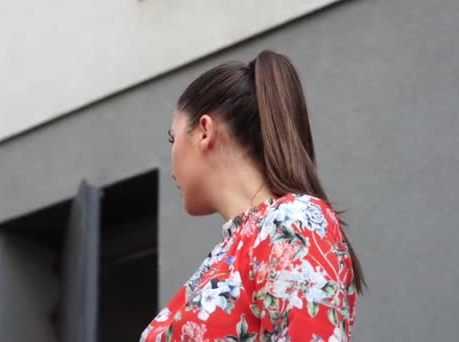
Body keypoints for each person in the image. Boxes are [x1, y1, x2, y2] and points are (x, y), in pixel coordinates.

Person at [140, 50, 365, 342]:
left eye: (173, 137)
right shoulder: (232, 252)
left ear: (205, 131)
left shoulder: (293, 223)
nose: (171, 163)